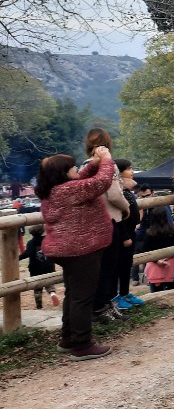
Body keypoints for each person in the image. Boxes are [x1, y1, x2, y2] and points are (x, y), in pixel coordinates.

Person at [37, 147, 116, 361]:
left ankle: (68, 338)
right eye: (72, 168)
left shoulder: (56, 189)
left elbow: (84, 178)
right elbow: (100, 183)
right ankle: (82, 345)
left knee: (73, 294)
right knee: (82, 298)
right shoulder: (69, 190)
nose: (76, 170)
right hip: (81, 250)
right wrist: (107, 160)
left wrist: (95, 163)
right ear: (64, 173)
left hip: (66, 249)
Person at [84, 128, 130, 324]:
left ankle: (104, 305)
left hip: (94, 221)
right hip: (111, 219)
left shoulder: (84, 166)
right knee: (108, 267)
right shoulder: (108, 165)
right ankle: (101, 307)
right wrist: (126, 207)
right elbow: (114, 194)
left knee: (101, 267)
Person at [112, 159, 144, 311]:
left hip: (131, 231)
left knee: (126, 265)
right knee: (119, 266)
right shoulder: (117, 190)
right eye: (129, 168)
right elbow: (120, 217)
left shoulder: (128, 189)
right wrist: (125, 236)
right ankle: (116, 297)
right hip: (123, 234)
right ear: (119, 171)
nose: (132, 171)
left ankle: (125, 293)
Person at [19, 225, 60, 309]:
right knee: (49, 283)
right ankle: (52, 293)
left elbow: (28, 253)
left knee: (37, 287)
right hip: (48, 266)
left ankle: (39, 306)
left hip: (35, 268)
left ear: (32, 234)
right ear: (42, 232)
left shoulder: (31, 242)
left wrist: (17, 258)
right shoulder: (48, 240)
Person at [143, 207, 174, 293]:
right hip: (170, 264)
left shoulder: (149, 234)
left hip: (155, 265)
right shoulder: (172, 233)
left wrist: (157, 261)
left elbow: (145, 250)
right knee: (173, 291)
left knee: (156, 292)